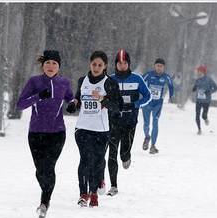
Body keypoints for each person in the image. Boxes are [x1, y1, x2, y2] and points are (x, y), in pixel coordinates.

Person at [16, 50, 76, 218]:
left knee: (49, 167)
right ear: (43, 65)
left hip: (57, 133)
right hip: (36, 133)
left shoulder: (63, 83)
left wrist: (71, 105)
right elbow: (20, 105)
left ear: (59, 67)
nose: (51, 66)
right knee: (40, 170)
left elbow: (71, 98)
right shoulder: (34, 81)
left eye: (54, 64)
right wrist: (38, 97)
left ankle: (44, 202)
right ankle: (46, 193)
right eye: (48, 63)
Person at [73, 50, 122, 207]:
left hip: (101, 129)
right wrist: (72, 105)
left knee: (97, 161)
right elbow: (77, 99)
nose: (96, 67)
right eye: (94, 64)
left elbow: (118, 106)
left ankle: (94, 192)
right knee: (85, 159)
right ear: (90, 64)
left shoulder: (109, 83)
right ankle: (83, 194)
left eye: (100, 65)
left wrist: (101, 99)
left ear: (105, 66)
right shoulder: (83, 81)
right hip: (82, 127)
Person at [106, 50, 151, 196]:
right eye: (119, 63)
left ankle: (127, 156)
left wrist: (135, 104)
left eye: (125, 63)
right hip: (113, 121)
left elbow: (148, 96)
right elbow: (102, 97)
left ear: (129, 64)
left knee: (123, 154)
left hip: (130, 122)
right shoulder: (109, 79)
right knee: (112, 152)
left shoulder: (137, 79)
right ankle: (113, 186)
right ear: (115, 64)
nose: (122, 66)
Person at [141, 58, 174, 154]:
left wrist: (172, 94)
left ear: (163, 67)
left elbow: (171, 85)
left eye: (161, 66)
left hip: (158, 103)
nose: (159, 68)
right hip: (147, 103)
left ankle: (153, 145)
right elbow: (139, 82)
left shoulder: (166, 76)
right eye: (157, 66)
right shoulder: (148, 74)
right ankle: (147, 137)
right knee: (146, 123)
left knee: (155, 122)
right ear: (154, 66)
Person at [192, 65, 217, 135]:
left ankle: (205, 118)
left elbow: (216, 88)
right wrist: (194, 89)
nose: (198, 73)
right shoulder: (197, 80)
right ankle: (199, 129)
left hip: (206, 101)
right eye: (198, 71)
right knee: (197, 115)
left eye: (199, 71)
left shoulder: (209, 80)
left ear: (203, 72)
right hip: (198, 100)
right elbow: (195, 88)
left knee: (203, 115)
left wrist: (209, 92)